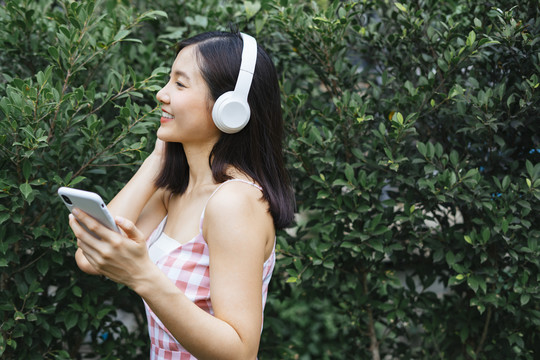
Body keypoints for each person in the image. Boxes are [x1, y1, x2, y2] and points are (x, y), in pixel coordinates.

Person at [68, 30, 295, 359]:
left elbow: (240, 352)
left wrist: (143, 276)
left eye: (180, 83)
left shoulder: (233, 203)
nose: (162, 94)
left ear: (229, 108)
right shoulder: (174, 191)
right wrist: (156, 160)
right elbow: (90, 258)